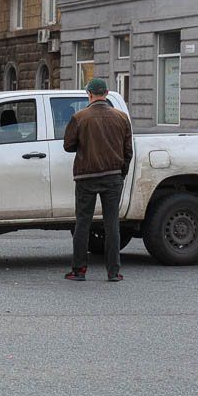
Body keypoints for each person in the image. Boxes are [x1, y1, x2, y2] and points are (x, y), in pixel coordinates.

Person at [63, 78, 133, 282]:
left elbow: (68, 146)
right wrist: (121, 172)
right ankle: (113, 272)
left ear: (89, 94)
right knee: (112, 225)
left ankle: (79, 270)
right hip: (113, 177)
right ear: (107, 93)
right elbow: (128, 151)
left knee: (83, 223)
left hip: (86, 176)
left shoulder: (80, 117)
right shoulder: (121, 118)